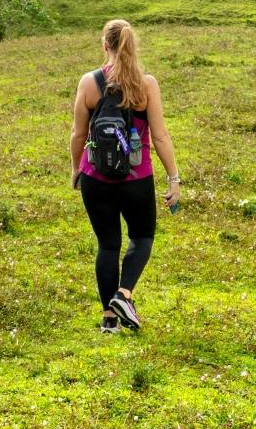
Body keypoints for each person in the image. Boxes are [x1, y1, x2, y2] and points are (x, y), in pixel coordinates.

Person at [70, 19, 179, 334]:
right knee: (142, 238)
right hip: (136, 178)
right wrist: (173, 178)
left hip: (95, 178)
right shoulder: (146, 85)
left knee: (107, 245)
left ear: (105, 45)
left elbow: (78, 134)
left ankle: (109, 320)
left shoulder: (89, 83)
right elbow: (160, 136)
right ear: (132, 45)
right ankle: (124, 294)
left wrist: (76, 168)